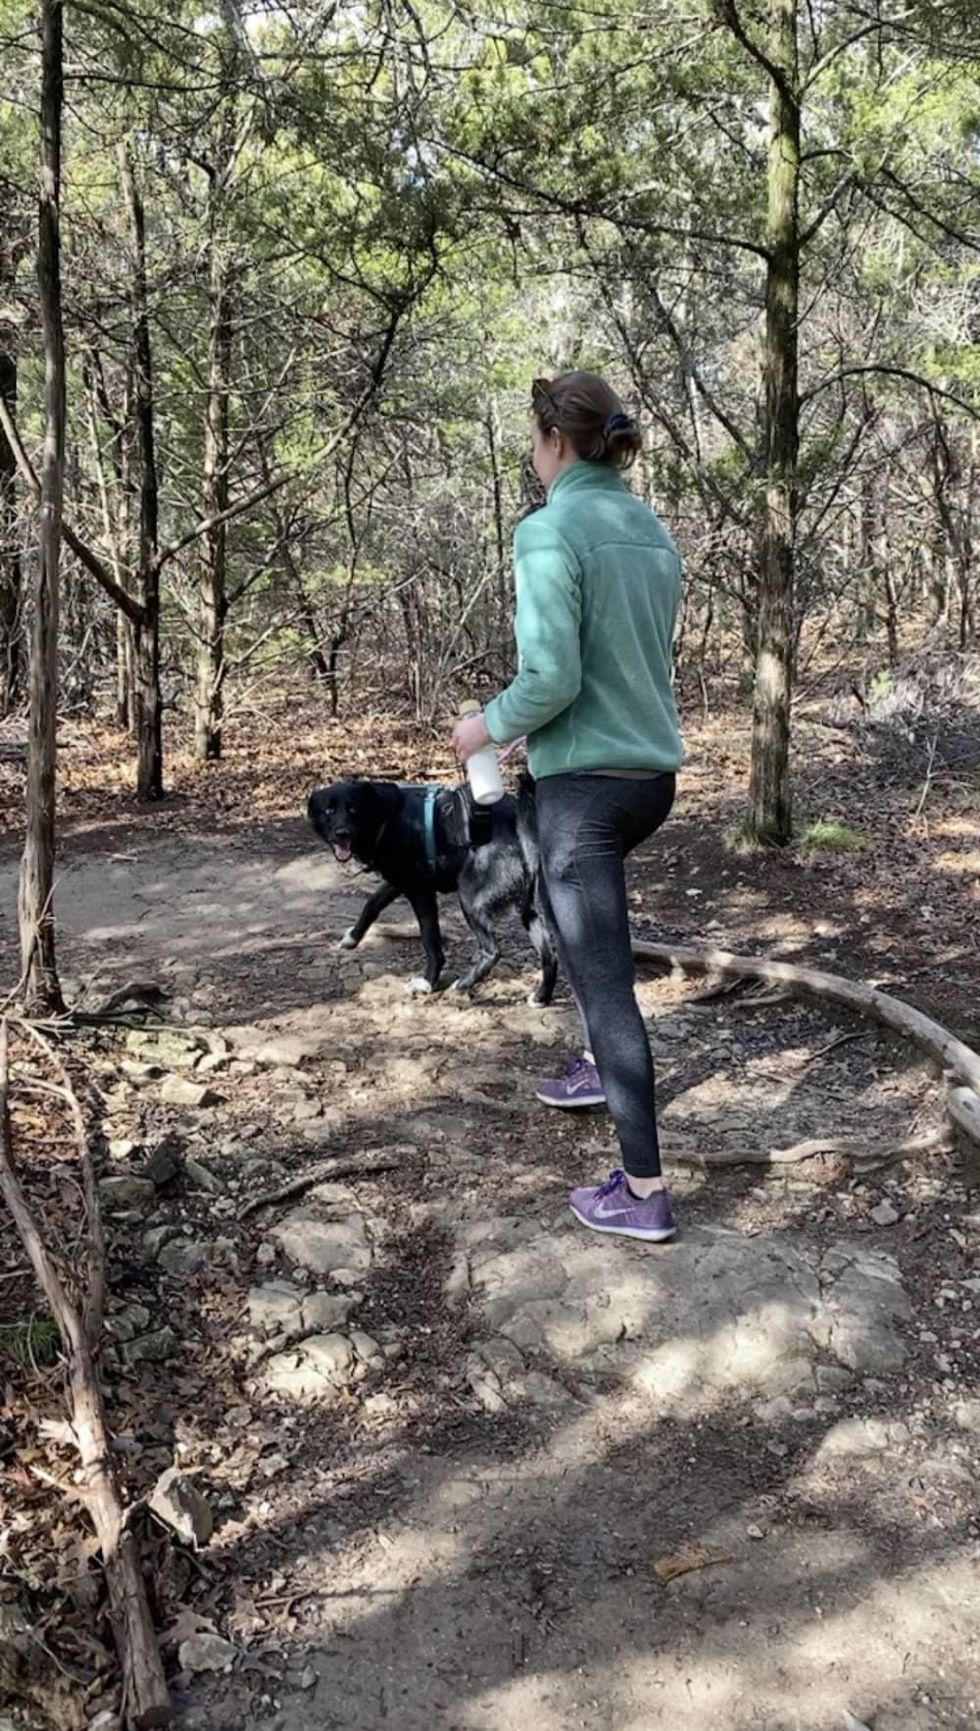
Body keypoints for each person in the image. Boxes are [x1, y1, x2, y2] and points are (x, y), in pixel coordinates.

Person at [452, 371, 684, 1244]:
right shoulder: (648, 527)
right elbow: (622, 665)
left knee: (608, 977)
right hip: (643, 780)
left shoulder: (549, 532)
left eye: (532, 440)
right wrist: (528, 739)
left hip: (585, 797)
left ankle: (644, 1188)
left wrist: (485, 726)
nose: (531, 455)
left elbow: (552, 676)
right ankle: (595, 1065)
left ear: (554, 439)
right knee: (563, 910)